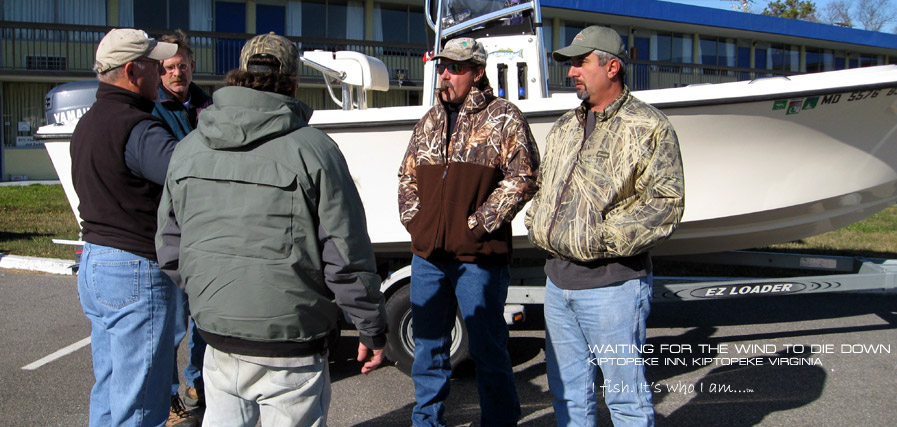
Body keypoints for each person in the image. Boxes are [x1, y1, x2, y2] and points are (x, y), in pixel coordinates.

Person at [156, 32, 388, 427]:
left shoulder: (189, 148)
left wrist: (214, 296)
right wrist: (371, 328)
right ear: (294, 83)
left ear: (239, 77)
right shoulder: (315, 150)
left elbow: (171, 247)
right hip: (291, 349)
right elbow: (344, 256)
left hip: (219, 340)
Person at [524, 26, 685, 427]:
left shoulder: (649, 126)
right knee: (568, 395)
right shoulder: (564, 126)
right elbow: (544, 187)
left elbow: (665, 204)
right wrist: (538, 223)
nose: (572, 72)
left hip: (614, 287)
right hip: (558, 284)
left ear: (612, 66)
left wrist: (595, 239)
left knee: (625, 398)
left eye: (581, 62)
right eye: (570, 64)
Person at [397, 36, 540, 427]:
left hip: (479, 258)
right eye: (443, 66)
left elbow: (524, 177)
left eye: (456, 68)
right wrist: (417, 222)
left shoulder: (503, 116)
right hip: (428, 257)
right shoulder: (428, 120)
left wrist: (477, 226)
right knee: (428, 349)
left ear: (477, 73)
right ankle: (426, 422)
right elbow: (406, 176)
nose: (446, 74)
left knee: (488, 348)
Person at [70, 28, 179, 427]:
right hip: (133, 267)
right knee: (141, 402)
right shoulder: (138, 128)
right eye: (156, 66)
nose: (164, 73)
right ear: (133, 71)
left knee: (111, 387)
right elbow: (188, 178)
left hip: (95, 262)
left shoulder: (88, 123)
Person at [150, 29, 211, 425]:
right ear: (159, 73)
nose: (177, 73)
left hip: (207, 229)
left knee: (204, 318)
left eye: (183, 66)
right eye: (170, 68)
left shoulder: (209, 104)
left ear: (192, 66)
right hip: (173, 232)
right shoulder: (151, 110)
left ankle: (197, 383)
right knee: (172, 325)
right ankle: (171, 396)